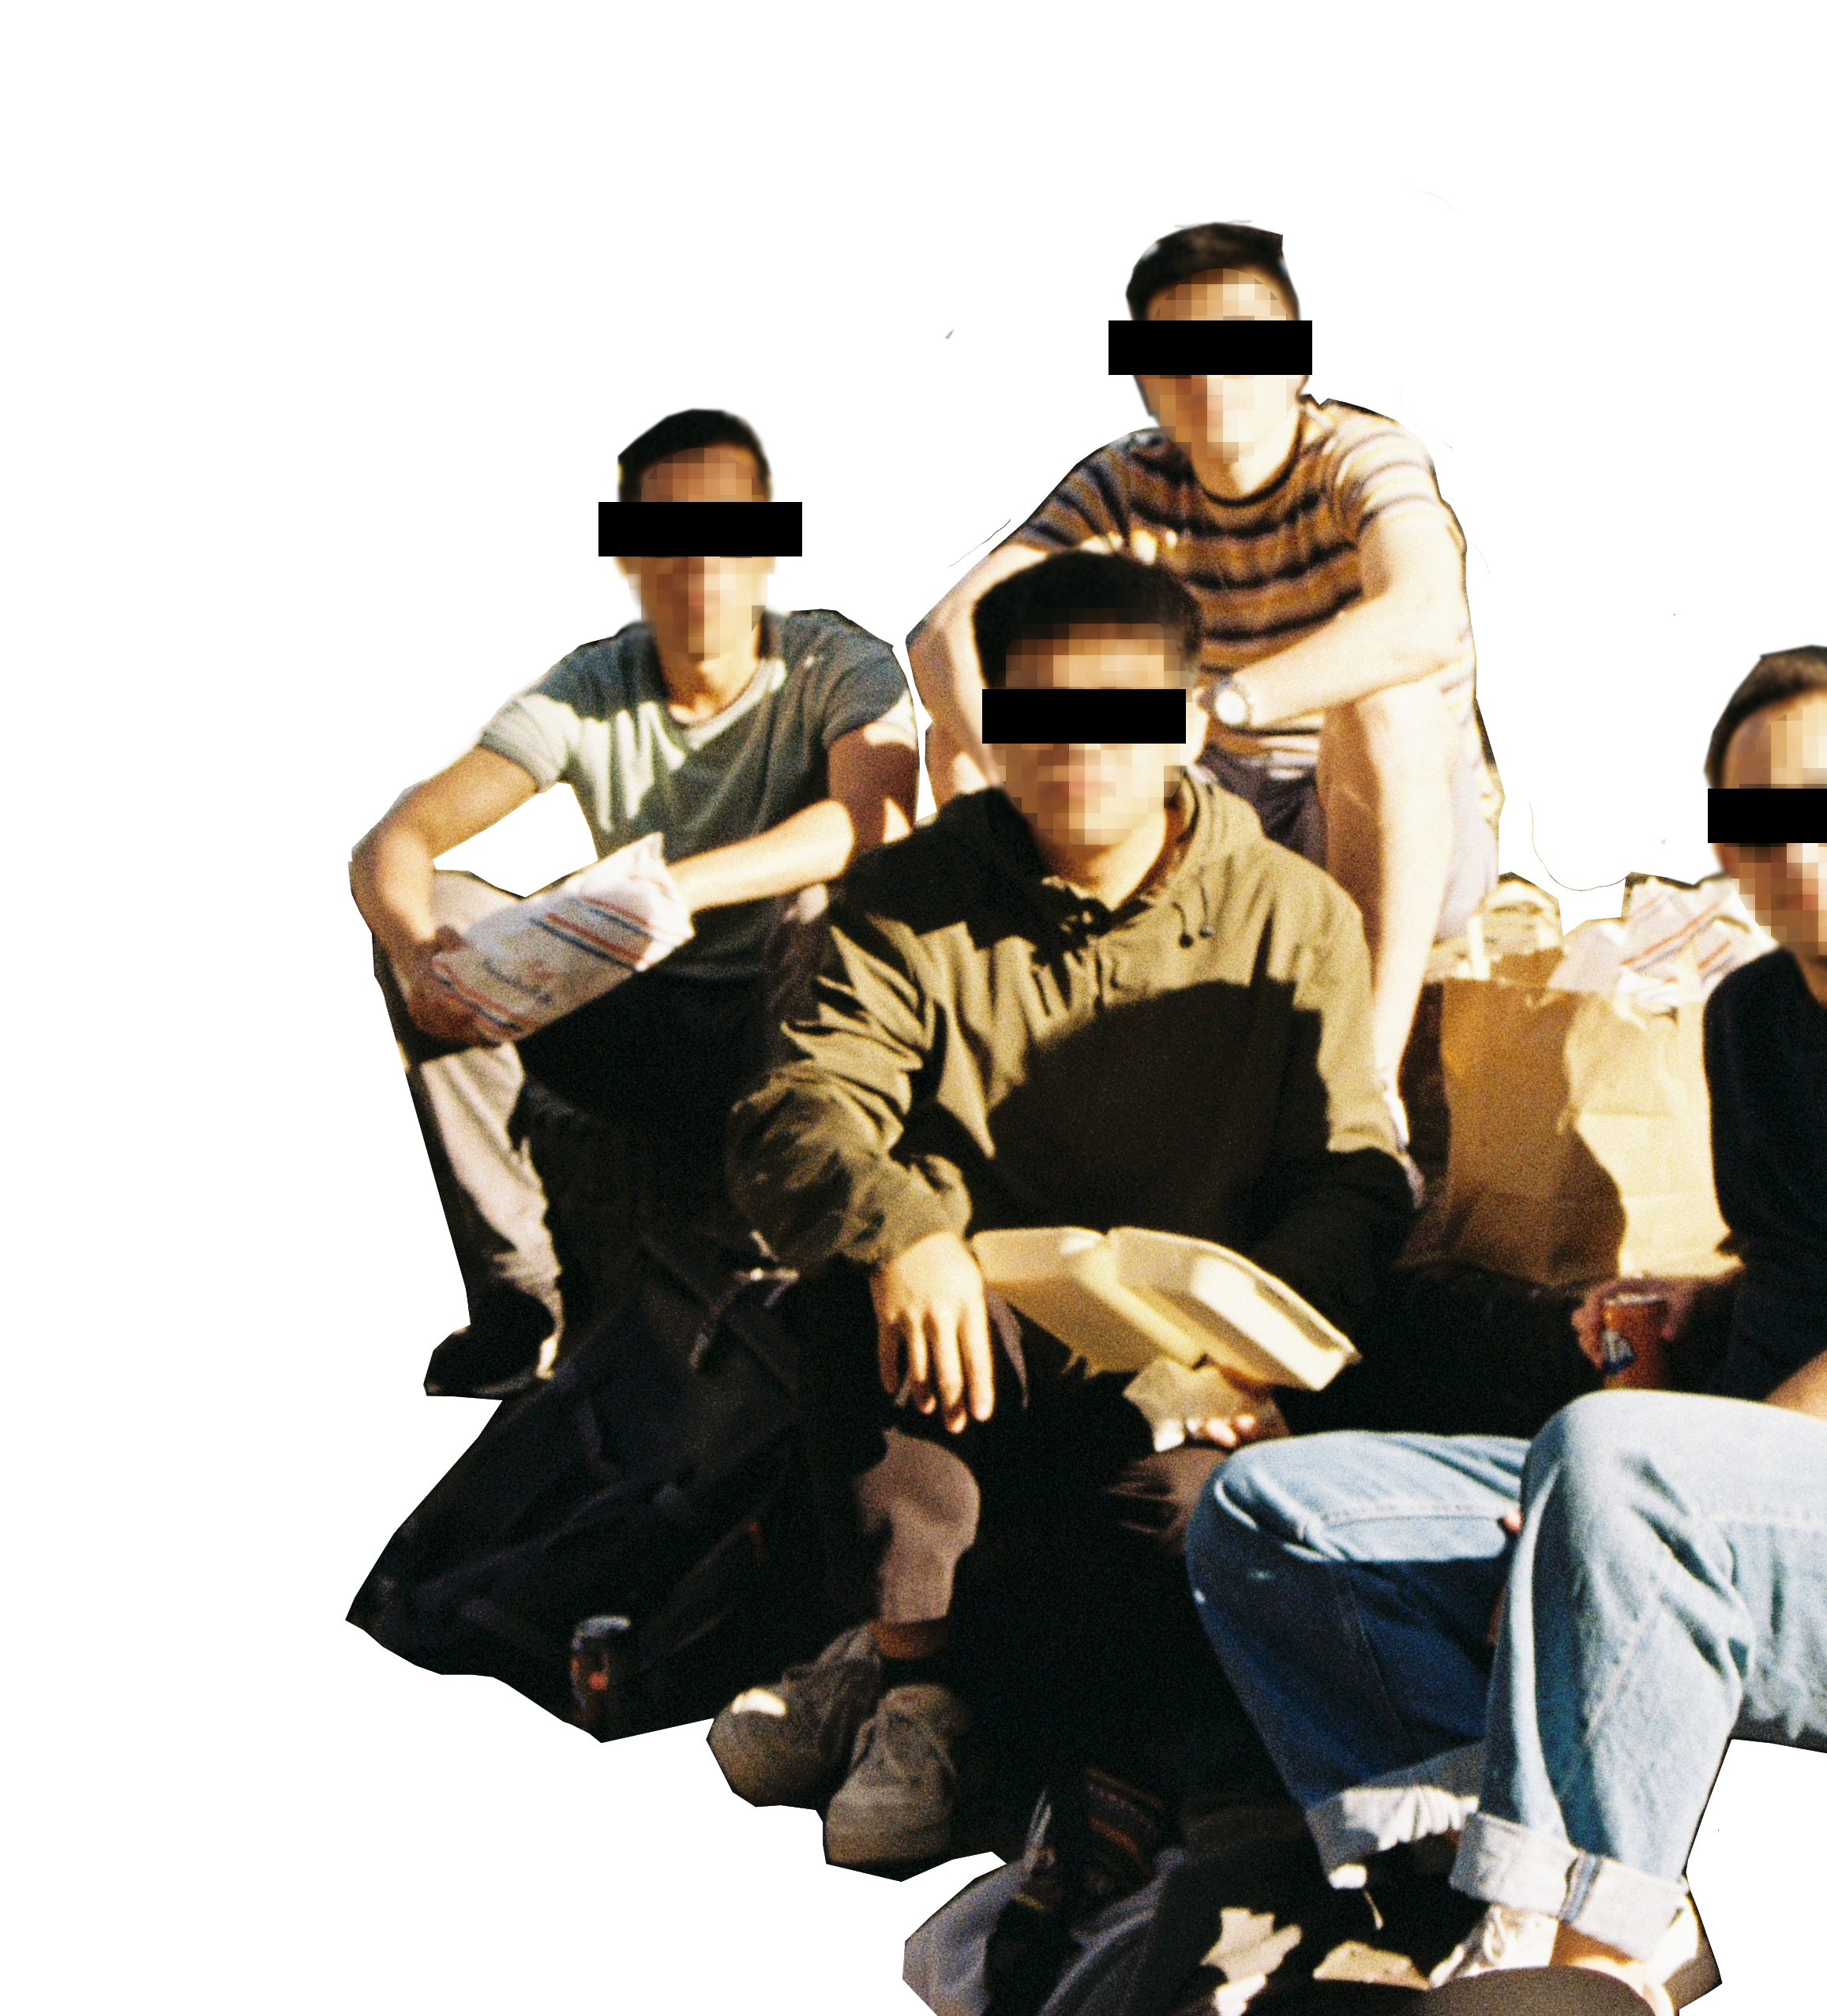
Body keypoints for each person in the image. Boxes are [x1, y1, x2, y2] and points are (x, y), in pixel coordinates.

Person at [1181, 647, 1827, 2014]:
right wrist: (1698, 1315)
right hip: (1745, 1488)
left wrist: (1629, 1496)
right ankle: (1477, 1871)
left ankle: (1597, 1946)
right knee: (1268, 1508)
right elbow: (1811, 1270)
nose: (1803, 842)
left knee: (1606, 1463)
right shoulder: (1750, 1014)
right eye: (1762, 813)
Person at [709, 549, 1416, 1879]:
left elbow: (1356, 1173)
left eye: (1119, 710)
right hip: (974, 1322)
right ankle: (911, 1682)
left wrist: (1252, 1342)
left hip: (1181, 1355)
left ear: (1188, 723)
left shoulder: (1294, 914)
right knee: (854, 1297)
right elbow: (800, 1109)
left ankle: (984, 1693)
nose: (1078, 745)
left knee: (1200, 1521)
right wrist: (904, 1231)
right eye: (1039, 708)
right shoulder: (908, 896)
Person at [343, 406, 919, 1398]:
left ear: (770, 547)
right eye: (666, 533)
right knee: (440, 909)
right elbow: (392, 841)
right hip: (632, 1011)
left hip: (785, 1023)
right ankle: (521, 1296)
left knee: (831, 909)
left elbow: (873, 822)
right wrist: (415, 947)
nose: (699, 560)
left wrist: (680, 886)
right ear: (624, 558)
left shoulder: (839, 662)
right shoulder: (587, 687)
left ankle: (806, 1248)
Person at [906, 217, 1502, 1134]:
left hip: (1381, 811)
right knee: (962, 736)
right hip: (1220, 805)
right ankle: (1055, 1017)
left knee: (1389, 706)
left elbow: (1426, 611)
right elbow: (945, 632)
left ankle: (1363, 1093)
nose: (1210, 375)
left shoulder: (1361, 455)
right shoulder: (1127, 478)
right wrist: (1025, 773)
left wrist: (1224, 702)